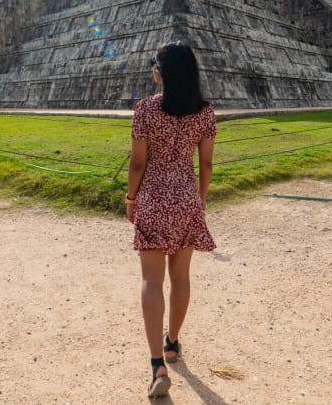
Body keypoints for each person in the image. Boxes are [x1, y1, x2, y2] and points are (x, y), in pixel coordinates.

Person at [125, 42, 216, 397]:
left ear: (159, 72)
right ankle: (173, 343)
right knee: (181, 277)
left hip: (152, 197)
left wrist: (131, 198)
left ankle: (156, 365)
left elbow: (137, 163)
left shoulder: (146, 109)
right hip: (187, 197)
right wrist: (200, 200)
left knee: (151, 280)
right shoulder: (206, 113)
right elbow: (205, 164)